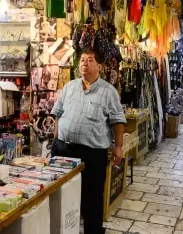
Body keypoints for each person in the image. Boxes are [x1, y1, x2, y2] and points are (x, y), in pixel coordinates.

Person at [51, 50, 126, 234]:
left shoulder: (109, 91)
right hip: (63, 150)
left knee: (91, 197)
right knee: (61, 193)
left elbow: (118, 120)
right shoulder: (69, 87)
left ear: (99, 67)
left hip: (92, 154)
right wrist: (55, 139)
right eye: (82, 60)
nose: (84, 63)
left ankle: (93, 231)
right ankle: (64, 229)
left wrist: (118, 147)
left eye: (90, 60)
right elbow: (58, 114)